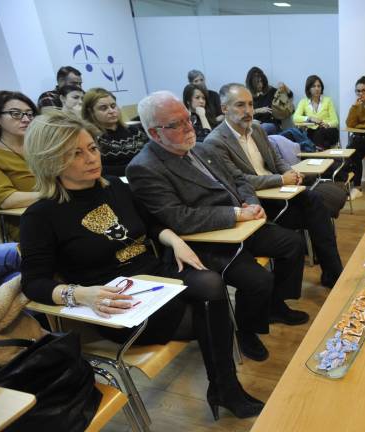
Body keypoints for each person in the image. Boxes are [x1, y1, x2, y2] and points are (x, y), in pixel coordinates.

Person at [19, 110, 263, 419]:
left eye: (92, 148)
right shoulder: (41, 216)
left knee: (211, 283)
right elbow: (34, 283)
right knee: (209, 308)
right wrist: (81, 294)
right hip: (118, 301)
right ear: (50, 161)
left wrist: (174, 240)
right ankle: (226, 388)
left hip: (155, 277)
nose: (91, 158)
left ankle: (224, 388)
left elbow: (150, 224)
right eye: (75, 154)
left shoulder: (114, 188)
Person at [126, 91, 308, 362]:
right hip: (205, 241)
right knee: (258, 279)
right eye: (177, 124)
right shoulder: (144, 168)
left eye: (188, 119)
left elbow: (239, 179)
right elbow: (180, 218)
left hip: (241, 223)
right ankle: (247, 331)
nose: (189, 127)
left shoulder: (200, 147)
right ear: (154, 133)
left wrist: (250, 203)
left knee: (293, 244)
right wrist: (236, 213)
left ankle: (274, 305)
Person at [200, 83, 344, 288]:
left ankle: (333, 272)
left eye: (250, 104)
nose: (248, 111)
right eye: (240, 105)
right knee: (315, 214)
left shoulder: (257, 128)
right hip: (258, 201)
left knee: (316, 203)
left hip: (281, 192)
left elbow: (276, 160)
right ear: (224, 109)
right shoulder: (215, 142)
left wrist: (289, 172)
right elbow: (237, 180)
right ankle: (333, 273)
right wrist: (280, 180)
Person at [0, 91, 40, 240]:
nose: (26, 119)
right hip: (29, 223)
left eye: (30, 114)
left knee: (107, 228)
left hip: (64, 209)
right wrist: (57, 193)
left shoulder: (40, 145)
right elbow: (7, 200)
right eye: (16, 114)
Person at [82, 88, 148, 176]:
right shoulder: (90, 137)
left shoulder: (134, 131)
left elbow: (151, 156)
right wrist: (136, 168)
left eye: (113, 106)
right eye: (103, 108)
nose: (111, 111)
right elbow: (97, 169)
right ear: (91, 112)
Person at [292, 75, 339, 151]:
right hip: (313, 132)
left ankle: (317, 155)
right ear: (309, 88)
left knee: (320, 133)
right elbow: (295, 118)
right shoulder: (303, 102)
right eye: (313, 86)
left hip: (329, 131)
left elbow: (335, 121)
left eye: (319, 86)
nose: (317, 89)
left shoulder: (328, 101)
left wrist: (327, 124)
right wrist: (309, 118)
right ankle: (322, 152)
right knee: (314, 136)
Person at [245, 67, 292, 135]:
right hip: (254, 125)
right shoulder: (247, 96)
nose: (260, 84)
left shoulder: (270, 91)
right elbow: (243, 113)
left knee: (262, 128)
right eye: (257, 82)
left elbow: (290, 95)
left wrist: (285, 87)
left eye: (261, 81)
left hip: (272, 125)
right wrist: (257, 111)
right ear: (251, 83)